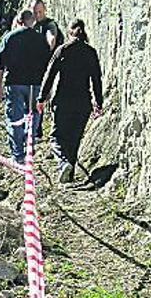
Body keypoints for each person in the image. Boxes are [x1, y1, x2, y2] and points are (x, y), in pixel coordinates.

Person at [36, 19, 103, 183]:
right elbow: (96, 80)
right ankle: (69, 174)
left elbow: (49, 75)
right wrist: (99, 102)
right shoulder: (91, 52)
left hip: (63, 101)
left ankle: (64, 163)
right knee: (74, 139)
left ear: (69, 32)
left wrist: (41, 98)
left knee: (56, 137)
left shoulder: (62, 50)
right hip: (83, 102)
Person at [0, 10, 52, 164]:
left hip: (15, 83)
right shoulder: (40, 39)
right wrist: (47, 88)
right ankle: (30, 145)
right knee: (34, 115)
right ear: (32, 21)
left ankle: (18, 154)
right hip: (35, 83)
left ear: (19, 21)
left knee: (15, 119)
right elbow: (48, 64)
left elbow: (0, 64)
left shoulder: (9, 38)